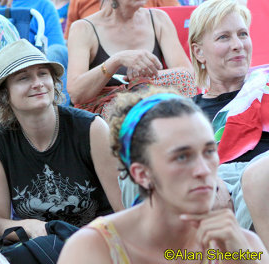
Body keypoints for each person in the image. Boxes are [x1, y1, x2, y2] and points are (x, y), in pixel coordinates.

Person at [57, 90, 269, 264]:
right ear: (141, 174)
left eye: (209, 151)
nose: (203, 169)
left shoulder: (240, 244)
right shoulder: (93, 249)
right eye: (182, 156)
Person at [0, 39, 123, 239]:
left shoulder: (91, 128)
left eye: (43, 74)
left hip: (98, 242)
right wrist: (29, 227)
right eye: (23, 78)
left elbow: (125, 210)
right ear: (5, 94)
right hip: (40, 247)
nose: (38, 83)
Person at [189, 0, 269, 248]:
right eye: (224, 37)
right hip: (218, 198)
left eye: (242, 34)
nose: (238, 45)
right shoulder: (185, 113)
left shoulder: (265, 88)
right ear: (199, 52)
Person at [67, 0, 194, 118]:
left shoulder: (158, 19)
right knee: (124, 107)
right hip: (110, 112)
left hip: (154, 100)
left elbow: (187, 73)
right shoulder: (83, 29)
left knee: (182, 80)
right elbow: (76, 94)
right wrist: (115, 61)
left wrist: (139, 81)